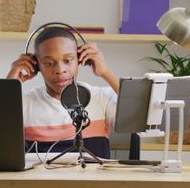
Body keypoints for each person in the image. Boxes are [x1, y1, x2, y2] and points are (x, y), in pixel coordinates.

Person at [6, 26, 119, 159]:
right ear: (36, 66)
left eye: (68, 60)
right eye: (48, 63)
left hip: (94, 179)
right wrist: (9, 85)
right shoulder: (24, 103)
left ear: (80, 59)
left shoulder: (101, 98)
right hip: (41, 179)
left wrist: (105, 72)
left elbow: (142, 111)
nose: (60, 70)